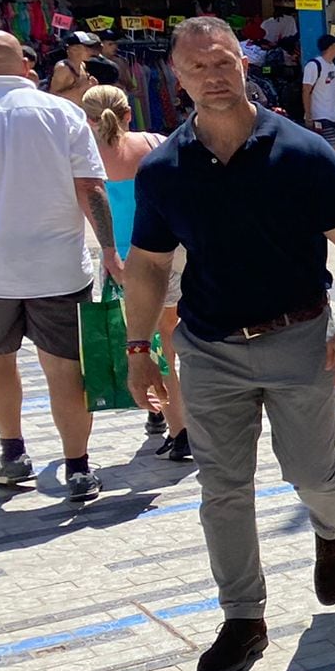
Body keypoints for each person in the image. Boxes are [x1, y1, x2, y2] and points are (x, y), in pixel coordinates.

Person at [121, 19, 335, 671]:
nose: (213, 75)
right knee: (223, 490)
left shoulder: (300, 151)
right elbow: (148, 266)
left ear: (244, 64)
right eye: (198, 66)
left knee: (313, 475)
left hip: (297, 341)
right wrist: (137, 348)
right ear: (176, 79)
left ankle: (334, 529)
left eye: (223, 62)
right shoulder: (165, 169)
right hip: (207, 350)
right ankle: (243, 619)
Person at [0, 29, 121, 502]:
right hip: (58, 267)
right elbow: (91, 188)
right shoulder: (63, 112)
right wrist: (109, 250)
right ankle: (78, 469)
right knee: (65, 369)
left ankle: (12, 452)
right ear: (25, 69)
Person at [82, 84, 190, 461]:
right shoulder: (156, 143)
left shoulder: (86, 159)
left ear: (88, 119)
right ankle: (175, 419)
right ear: (130, 113)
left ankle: (178, 428)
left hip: (127, 260)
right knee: (173, 341)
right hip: (172, 249)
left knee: (148, 348)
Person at [301, 33, 335, 146]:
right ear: (332, 46)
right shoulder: (314, 65)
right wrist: (308, 114)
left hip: (332, 115)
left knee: (328, 148)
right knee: (333, 148)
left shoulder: (331, 66)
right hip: (319, 115)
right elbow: (306, 91)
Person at [45, 30, 104, 105]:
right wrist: (83, 88)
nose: (90, 51)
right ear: (73, 49)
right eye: (86, 48)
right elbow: (52, 97)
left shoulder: (82, 65)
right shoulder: (63, 69)